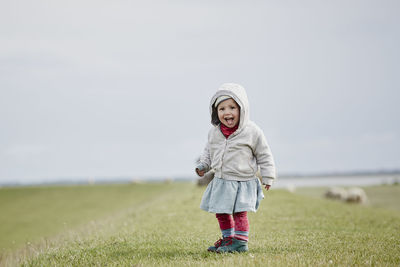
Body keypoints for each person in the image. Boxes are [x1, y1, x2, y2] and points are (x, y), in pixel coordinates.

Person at [195, 83, 276, 253]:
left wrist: (268, 176)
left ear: (242, 109)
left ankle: (240, 242)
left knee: (240, 213)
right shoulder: (214, 132)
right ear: (215, 112)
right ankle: (228, 239)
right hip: (222, 180)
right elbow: (209, 152)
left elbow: (264, 154)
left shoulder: (252, 131)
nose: (227, 112)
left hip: (243, 181)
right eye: (222, 108)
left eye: (232, 107)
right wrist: (203, 165)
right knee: (221, 212)